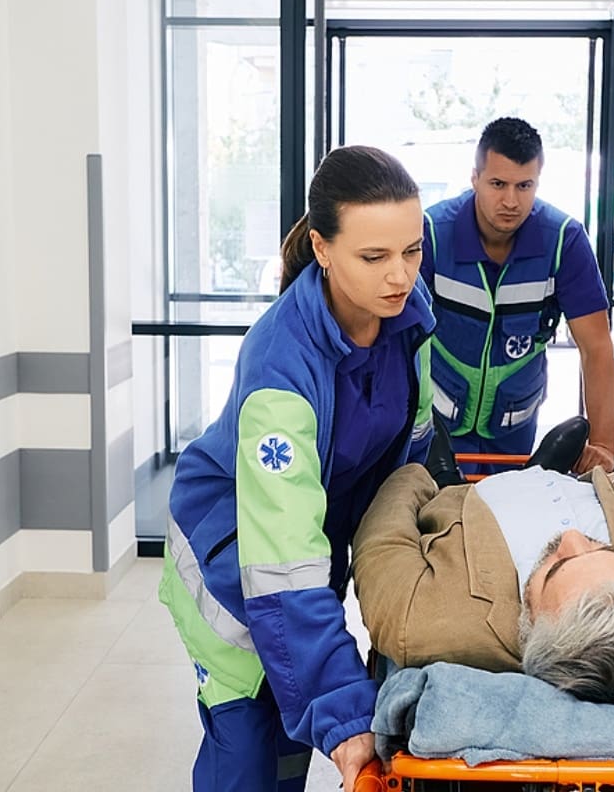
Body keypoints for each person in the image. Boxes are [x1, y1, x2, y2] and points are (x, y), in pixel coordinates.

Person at [157, 145, 437, 792]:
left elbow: (409, 457)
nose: (401, 275)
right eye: (374, 257)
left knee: (289, 749)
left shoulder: (407, 319)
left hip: (305, 555)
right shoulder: (281, 368)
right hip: (233, 571)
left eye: (412, 250)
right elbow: (280, 565)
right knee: (250, 758)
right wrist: (344, 712)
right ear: (322, 248)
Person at [350, 441, 614, 705]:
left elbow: (383, 532)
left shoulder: (419, 623)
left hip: (464, 497)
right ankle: (545, 469)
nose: (573, 536)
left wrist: (421, 477)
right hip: (579, 484)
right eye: (608, 550)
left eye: (556, 567)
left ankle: (460, 471)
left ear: (530, 624)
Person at [421, 116, 614, 476]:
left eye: (524, 185)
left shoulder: (565, 241)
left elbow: (597, 348)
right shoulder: (431, 233)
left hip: (515, 433)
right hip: (436, 429)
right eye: (497, 183)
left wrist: (605, 445)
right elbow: (396, 341)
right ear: (475, 178)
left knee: (509, 524)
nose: (510, 200)